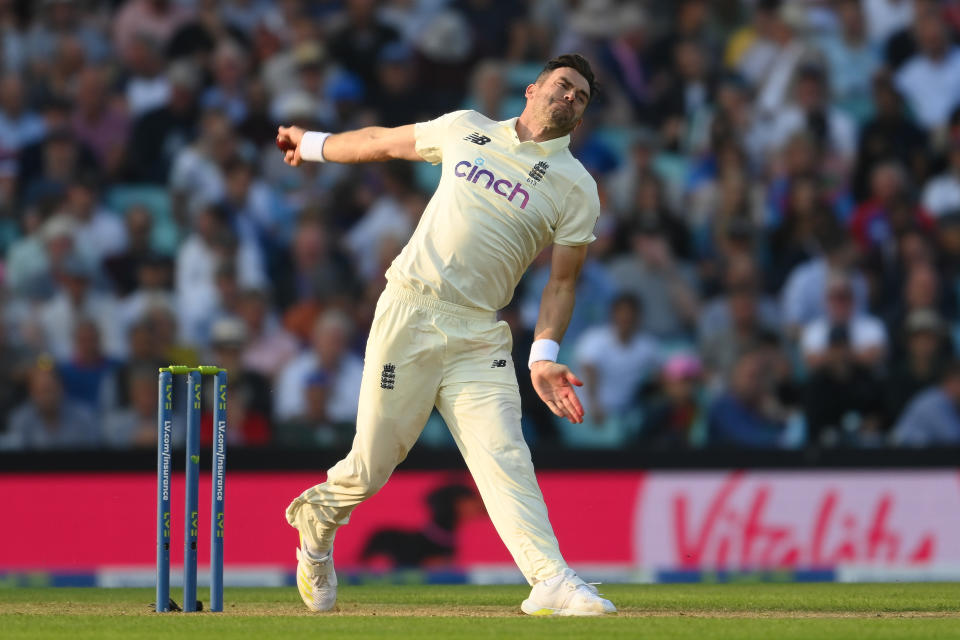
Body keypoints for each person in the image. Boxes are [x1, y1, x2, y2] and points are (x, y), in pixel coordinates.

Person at [276, 54, 616, 616]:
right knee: (371, 466)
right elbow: (380, 141)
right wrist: (311, 144)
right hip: (410, 311)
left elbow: (562, 283)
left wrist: (544, 355)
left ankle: (551, 580)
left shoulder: (576, 186)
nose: (570, 99)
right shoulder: (467, 128)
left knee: (505, 452)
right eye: (562, 86)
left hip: (480, 333)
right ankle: (317, 520)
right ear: (532, 90)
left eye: (581, 97)